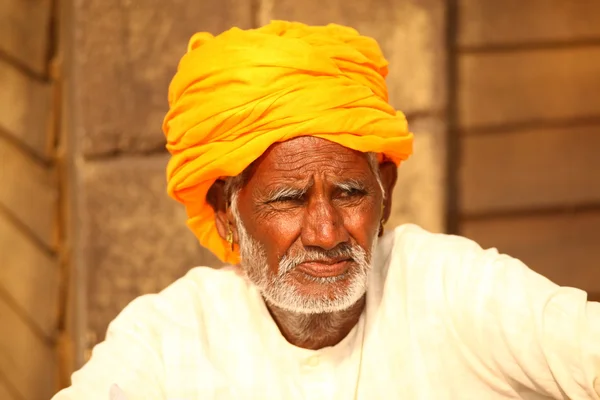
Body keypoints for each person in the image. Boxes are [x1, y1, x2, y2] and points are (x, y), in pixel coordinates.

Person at [53, 21, 600, 400]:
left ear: (384, 189)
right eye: (288, 199)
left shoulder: (450, 287)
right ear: (226, 213)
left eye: (349, 193)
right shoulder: (166, 339)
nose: (325, 231)